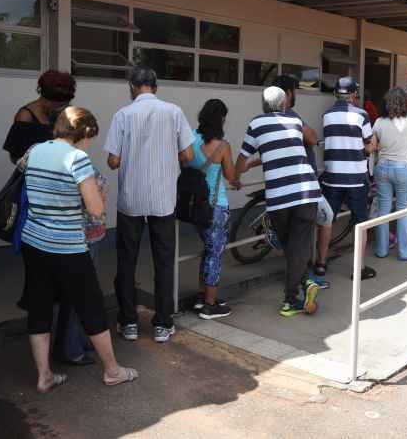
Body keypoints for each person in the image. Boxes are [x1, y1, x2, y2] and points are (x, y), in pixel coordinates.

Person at [22, 106, 138, 390]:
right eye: (91, 137)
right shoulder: (78, 159)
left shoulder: (35, 151)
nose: (90, 144)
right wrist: (99, 192)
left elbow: (25, 176)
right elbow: (96, 211)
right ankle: (112, 370)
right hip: (68, 246)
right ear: (83, 133)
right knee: (91, 307)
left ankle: (44, 375)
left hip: (34, 242)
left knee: (40, 309)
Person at [4, 74, 93, 367]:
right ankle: (58, 347)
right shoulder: (25, 116)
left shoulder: (65, 118)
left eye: (65, 100)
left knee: (62, 286)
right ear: (42, 94)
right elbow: (16, 160)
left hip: (61, 208)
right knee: (46, 286)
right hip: (38, 207)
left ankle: (67, 345)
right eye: (57, 100)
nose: (61, 104)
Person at [105, 66, 194, 343]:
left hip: (131, 199)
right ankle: (163, 324)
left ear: (132, 86)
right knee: (164, 261)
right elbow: (188, 154)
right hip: (163, 199)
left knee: (126, 260)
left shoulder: (122, 114)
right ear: (155, 86)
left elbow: (113, 161)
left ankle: (129, 323)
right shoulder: (174, 112)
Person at [234, 87, 322, 317]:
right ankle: (303, 288)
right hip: (306, 192)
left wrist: (235, 178)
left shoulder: (257, 124)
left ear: (263, 105)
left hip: (279, 198)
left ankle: (293, 297)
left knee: (289, 245)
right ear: (284, 104)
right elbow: (313, 139)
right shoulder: (294, 121)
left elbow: (242, 159)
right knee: (298, 246)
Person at [273, 75, 333, 280]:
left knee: (293, 232)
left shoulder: (266, 118)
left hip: (279, 184)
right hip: (302, 185)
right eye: (295, 91)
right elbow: (313, 137)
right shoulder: (292, 116)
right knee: (324, 218)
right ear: (289, 93)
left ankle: (296, 275)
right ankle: (313, 271)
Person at [184, 99, 238, 319]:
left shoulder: (190, 139)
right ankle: (210, 304)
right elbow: (231, 176)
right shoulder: (223, 146)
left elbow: (184, 162)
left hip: (195, 206)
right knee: (215, 254)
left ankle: (201, 296)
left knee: (208, 250)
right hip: (216, 207)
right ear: (222, 119)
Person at [321, 77, 377, 280]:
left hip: (332, 177)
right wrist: (368, 147)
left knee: (326, 220)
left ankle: (320, 263)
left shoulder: (326, 115)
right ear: (354, 94)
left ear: (336, 94)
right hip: (356, 178)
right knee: (359, 222)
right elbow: (369, 145)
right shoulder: (361, 115)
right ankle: (358, 268)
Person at [371, 88, 407, 260]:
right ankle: (405, 252)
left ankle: (382, 250)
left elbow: (373, 146)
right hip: (403, 168)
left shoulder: (379, 121)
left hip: (383, 167)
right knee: (403, 211)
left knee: (383, 211)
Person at [3, 70, 77, 163]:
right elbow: (15, 157)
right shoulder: (25, 117)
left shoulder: (66, 113)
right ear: (46, 100)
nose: (63, 109)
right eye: (59, 106)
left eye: (65, 105)